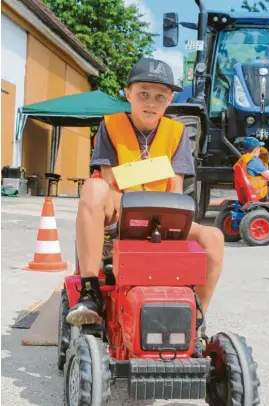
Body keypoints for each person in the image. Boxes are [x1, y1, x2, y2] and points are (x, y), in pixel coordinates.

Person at [66, 57, 224, 356]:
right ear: (128, 94)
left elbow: (176, 189)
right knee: (93, 187)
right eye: (144, 94)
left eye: (160, 96)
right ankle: (89, 291)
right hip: (118, 213)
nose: (151, 102)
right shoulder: (110, 126)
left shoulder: (177, 133)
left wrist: (149, 178)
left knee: (213, 237)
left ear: (170, 99)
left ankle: (197, 317)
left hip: (162, 217)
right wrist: (156, 169)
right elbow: (112, 183)